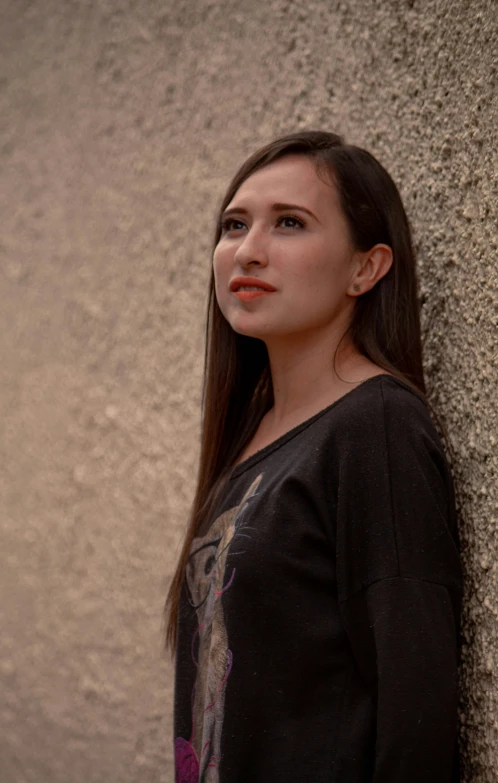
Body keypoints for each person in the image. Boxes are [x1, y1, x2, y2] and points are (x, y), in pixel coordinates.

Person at [163, 130, 463, 783]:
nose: (247, 250)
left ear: (367, 267)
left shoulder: (375, 427)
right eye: (234, 224)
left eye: (290, 223)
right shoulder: (255, 433)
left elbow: (417, 721)